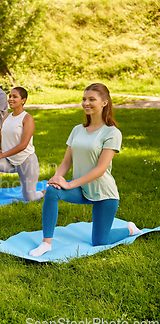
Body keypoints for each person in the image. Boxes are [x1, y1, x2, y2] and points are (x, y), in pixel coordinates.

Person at [29, 83, 142, 257]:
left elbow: (100, 169)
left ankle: (130, 229)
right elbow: (66, 162)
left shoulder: (112, 133)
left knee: (100, 241)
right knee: (52, 191)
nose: (86, 103)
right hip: (81, 190)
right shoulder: (77, 130)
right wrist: (57, 179)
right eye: (84, 99)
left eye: (91, 99)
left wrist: (69, 184)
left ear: (104, 103)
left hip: (104, 193)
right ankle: (46, 244)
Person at [0, 87, 45, 204]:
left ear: (23, 100)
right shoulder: (6, 117)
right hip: (9, 162)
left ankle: (47, 190)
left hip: (26, 161)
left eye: (15, 97)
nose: (10, 99)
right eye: (10, 96)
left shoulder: (28, 118)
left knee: (30, 198)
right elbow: (0, 138)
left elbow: (23, 145)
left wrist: (1, 154)